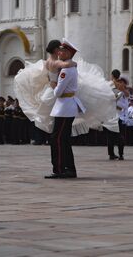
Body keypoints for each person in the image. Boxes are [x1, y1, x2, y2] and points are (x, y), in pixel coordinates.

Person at [45, 39, 85, 179]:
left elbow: (57, 92)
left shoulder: (66, 71)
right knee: (63, 139)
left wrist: (52, 84)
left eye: (62, 51)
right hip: (65, 106)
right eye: (59, 50)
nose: (60, 52)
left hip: (64, 107)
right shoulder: (68, 68)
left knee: (58, 139)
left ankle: (60, 169)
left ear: (68, 53)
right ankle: (69, 168)